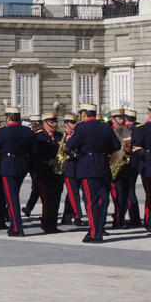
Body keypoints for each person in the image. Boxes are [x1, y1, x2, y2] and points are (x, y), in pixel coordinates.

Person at [65, 103, 120, 243]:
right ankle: (99, 229)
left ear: (84, 114)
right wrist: (104, 151)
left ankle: (95, 233)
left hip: (88, 166)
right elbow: (117, 146)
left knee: (91, 201)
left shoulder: (81, 127)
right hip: (103, 165)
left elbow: (71, 146)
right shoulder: (105, 127)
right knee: (103, 201)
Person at [0, 106, 34, 237]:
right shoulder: (27, 131)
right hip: (23, 166)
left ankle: (17, 228)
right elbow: (33, 149)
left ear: (8, 118)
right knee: (14, 195)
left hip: (8, 166)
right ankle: (13, 226)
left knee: (12, 198)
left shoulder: (4, 132)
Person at [32, 110, 64, 234]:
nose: (54, 124)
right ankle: (46, 224)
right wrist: (47, 161)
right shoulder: (38, 136)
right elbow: (34, 154)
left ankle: (53, 224)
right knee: (47, 200)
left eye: (55, 121)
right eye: (52, 122)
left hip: (57, 172)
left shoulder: (59, 136)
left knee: (56, 199)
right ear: (45, 122)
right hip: (43, 172)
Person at [59, 114, 84, 227]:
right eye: (71, 122)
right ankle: (78, 216)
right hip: (68, 167)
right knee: (74, 193)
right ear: (66, 123)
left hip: (79, 166)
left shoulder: (78, 135)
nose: (74, 125)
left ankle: (66, 217)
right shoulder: (61, 136)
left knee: (71, 194)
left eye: (75, 122)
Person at [136, 101, 151, 231]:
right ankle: (150, 221)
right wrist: (147, 154)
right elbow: (136, 147)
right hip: (149, 166)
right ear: (150, 112)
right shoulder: (142, 128)